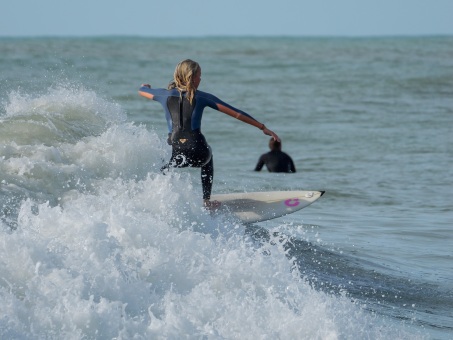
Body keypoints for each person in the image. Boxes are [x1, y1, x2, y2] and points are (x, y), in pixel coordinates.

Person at [139, 59, 280, 209]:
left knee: (163, 165)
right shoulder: (202, 97)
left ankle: (161, 199)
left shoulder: (163, 95)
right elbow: (237, 114)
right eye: (199, 75)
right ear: (192, 78)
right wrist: (262, 127)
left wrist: (145, 86)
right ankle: (206, 201)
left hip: (175, 154)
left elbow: (142, 91)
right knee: (209, 155)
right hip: (198, 153)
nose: (200, 79)